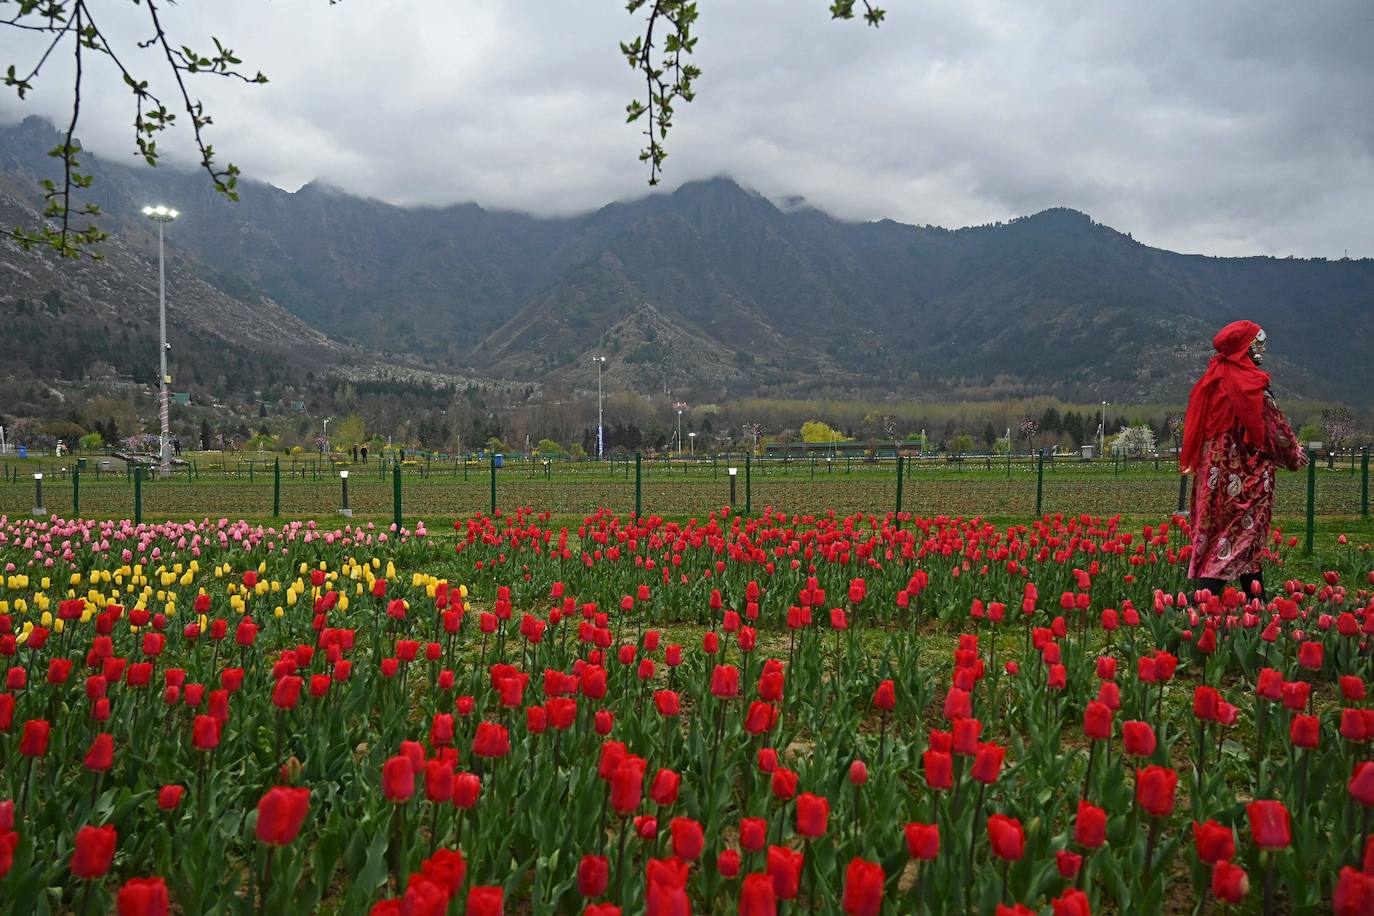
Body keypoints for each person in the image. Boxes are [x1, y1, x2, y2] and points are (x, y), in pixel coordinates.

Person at [1180, 320, 1306, 600]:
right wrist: (1294, 456)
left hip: (1211, 480)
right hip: (1245, 480)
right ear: (1245, 348)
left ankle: (1255, 604)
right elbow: (1275, 432)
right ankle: (1201, 605)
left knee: (1228, 538)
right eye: (1258, 342)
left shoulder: (1212, 382)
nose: (1263, 347)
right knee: (1240, 536)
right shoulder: (1251, 385)